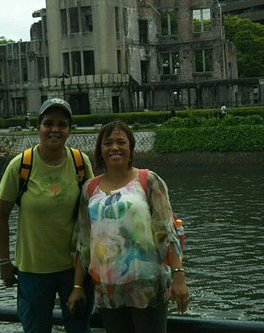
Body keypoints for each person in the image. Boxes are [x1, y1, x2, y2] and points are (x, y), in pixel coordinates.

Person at [69, 120, 188, 333]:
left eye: (121, 142)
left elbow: (167, 231)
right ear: (100, 150)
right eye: (108, 143)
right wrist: (78, 286)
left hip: (148, 285)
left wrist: (179, 276)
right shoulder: (90, 188)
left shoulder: (148, 180)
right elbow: (83, 240)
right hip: (108, 289)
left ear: (131, 148)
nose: (114, 147)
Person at [0, 98, 94, 333]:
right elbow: (0, 217)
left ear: (70, 129)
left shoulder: (80, 163)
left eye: (62, 124)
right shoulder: (21, 166)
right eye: (48, 123)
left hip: (74, 269)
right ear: (38, 127)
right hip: (33, 271)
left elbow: (90, 215)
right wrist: (4, 262)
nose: (55, 129)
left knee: (79, 328)